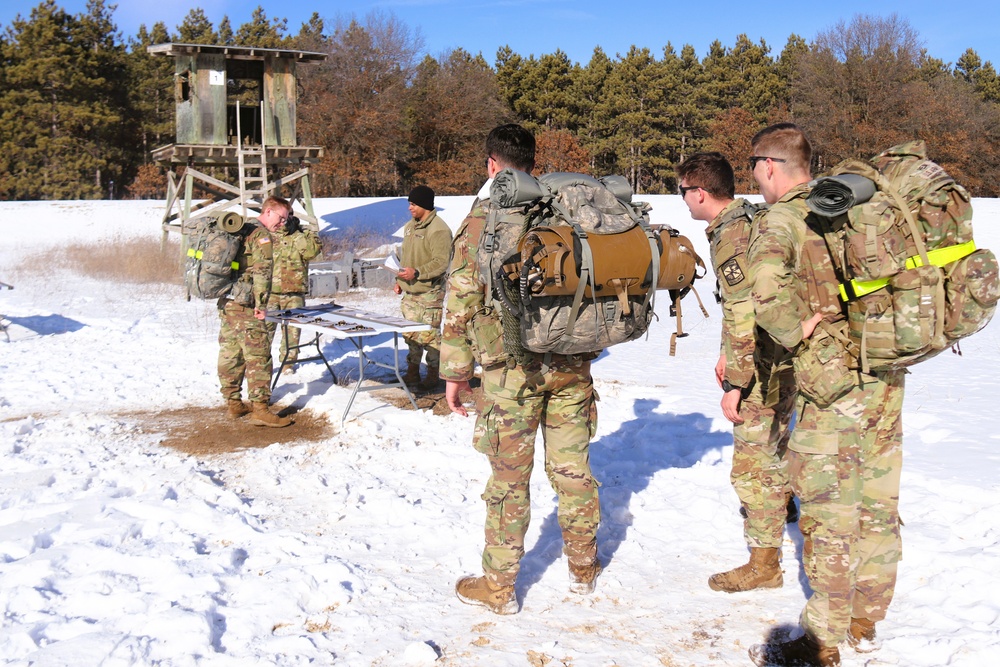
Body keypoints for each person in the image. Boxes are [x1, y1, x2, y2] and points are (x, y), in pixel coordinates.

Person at [745, 124, 905, 667]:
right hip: (884, 369)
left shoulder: (783, 219)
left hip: (830, 385)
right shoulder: (859, 207)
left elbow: (765, 300)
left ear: (770, 165)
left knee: (830, 513)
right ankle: (867, 616)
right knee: (878, 501)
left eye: (753, 167)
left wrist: (801, 331)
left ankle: (824, 638)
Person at [441, 124, 601, 614]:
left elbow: (463, 294)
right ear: (532, 162)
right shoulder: (568, 208)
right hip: (571, 363)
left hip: (511, 372)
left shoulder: (485, 217)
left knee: (509, 480)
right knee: (572, 470)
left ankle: (499, 588)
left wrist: (454, 369)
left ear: (492, 165)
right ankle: (582, 569)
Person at [676, 152, 797, 594]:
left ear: (700, 192)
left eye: (683, 192)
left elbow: (745, 308)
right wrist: (728, 351)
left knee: (751, 466)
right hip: (787, 353)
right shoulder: (756, 217)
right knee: (778, 440)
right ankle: (782, 507)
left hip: (762, 362)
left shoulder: (730, 236)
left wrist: (736, 382)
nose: (684, 202)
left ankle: (765, 563)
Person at [218, 195, 293, 428]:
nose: (282, 224)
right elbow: (262, 272)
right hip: (246, 304)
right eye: (281, 218)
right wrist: (261, 305)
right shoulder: (261, 235)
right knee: (258, 355)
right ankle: (260, 408)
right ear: (268, 211)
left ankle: (233, 403)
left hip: (228, 301)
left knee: (231, 352)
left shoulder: (243, 228)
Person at [394, 185, 453, 390]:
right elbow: (406, 258)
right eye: (409, 203)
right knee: (410, 335)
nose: (410, 208)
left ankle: (433, 374)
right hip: (410, 292)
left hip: (430, 294)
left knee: (429, 337)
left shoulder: (439, 230)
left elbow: (441, 262)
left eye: (414, 204)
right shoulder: (409, 227)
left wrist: (417, 272)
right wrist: (400, 280)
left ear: (425, 205)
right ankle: (412, 373)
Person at [270, 212, 322, 374]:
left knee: (292, 330)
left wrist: (296, 233)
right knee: (264, 330)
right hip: (270, 291)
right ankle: (260, 364)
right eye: (282, 217)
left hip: (294, 291)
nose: (284, 221)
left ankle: (288, 363)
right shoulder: (267, 234)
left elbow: (311, 252)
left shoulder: (303, 234)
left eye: (288, 216)